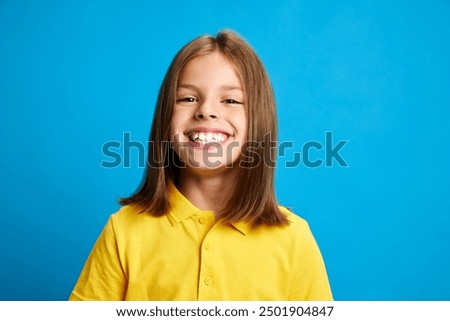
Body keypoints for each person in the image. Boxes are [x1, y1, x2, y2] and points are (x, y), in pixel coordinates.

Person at [69, 30, 333, 301]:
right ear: (165, 117)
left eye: (230, 100)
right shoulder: (123, 230)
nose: (206, 110)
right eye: (188, 98)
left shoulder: (294, 239)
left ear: (259, 120)